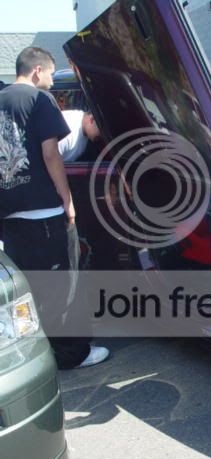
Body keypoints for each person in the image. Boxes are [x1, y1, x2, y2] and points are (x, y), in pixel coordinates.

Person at [0, 47, 108, 368]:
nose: (51, 80)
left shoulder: (2, 99)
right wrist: (67, 200)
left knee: (28, 287)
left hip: (10, 213)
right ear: (37, 70)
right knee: (63, 286)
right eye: (49, 73)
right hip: (44, 213)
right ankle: (73, 354)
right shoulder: (40, 99)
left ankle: (35, 351)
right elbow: (51, 154)